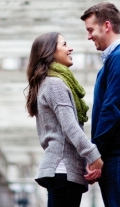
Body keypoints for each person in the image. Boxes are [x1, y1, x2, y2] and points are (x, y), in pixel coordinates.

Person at [26, 32, 104, 207]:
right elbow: (70, 127)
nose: (70, 48)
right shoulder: (55, 84)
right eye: (64, 44)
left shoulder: (48, 83)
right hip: (63, 171)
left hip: (62, 170)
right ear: (50, 52)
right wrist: (94, 157)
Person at [81, 2, 120, 207]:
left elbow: (112, 109)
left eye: (91, 30)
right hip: (117, 153)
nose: (89, 36)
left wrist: (95, 154)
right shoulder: (114, 61)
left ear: (106, 26)